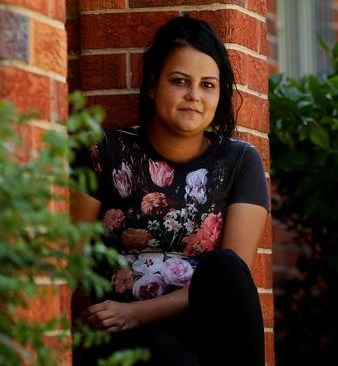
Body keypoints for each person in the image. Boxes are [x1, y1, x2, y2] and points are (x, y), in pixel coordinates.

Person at [71, 14, 269, 366]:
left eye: (208, 85)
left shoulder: (241, 162)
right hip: (124, 333)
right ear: (152, 84)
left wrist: (139, 313)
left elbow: (232, 285)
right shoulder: (104, 151)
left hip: (207, 332)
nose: (194, 96)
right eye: (180, 81)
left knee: (226, 267)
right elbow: (65, 262)